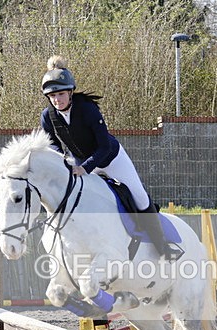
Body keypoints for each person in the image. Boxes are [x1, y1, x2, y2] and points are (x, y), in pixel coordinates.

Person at [39, 55, 182, 261]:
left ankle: (163, 247)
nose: (57, 100)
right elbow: (52, 144)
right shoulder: (48, 116)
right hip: (81, 163)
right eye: (52, 96)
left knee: (139, 197)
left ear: (70, 92)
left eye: (60, 94)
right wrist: (64, 163)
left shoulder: (87, 109)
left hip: (110, 158)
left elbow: (104, 145)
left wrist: (85, 168)